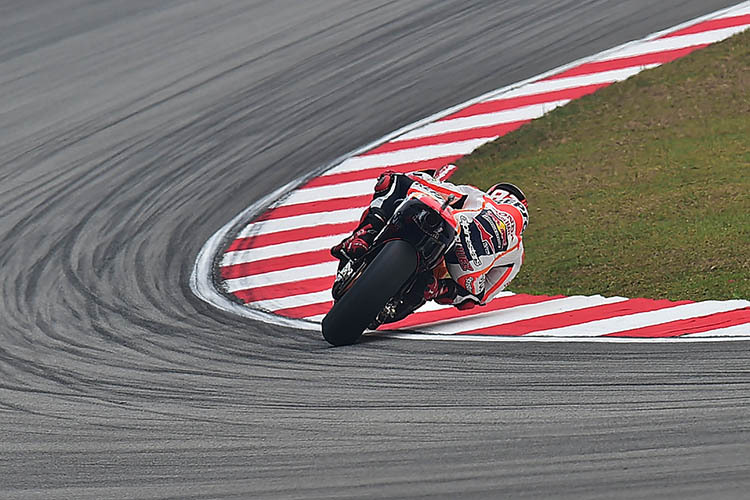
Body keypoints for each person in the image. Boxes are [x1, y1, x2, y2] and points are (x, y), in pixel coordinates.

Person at [331, 166, 529, 311]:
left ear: (496, 193)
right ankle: (433, 288)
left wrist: (424, 178)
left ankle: (366, 233)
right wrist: (442, 291)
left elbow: (440, 190)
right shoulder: (517, 254)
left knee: (392, 180)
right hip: (461, 265)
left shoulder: (480, 196)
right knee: (464, 292)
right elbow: (477, 298)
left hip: (452, 232)